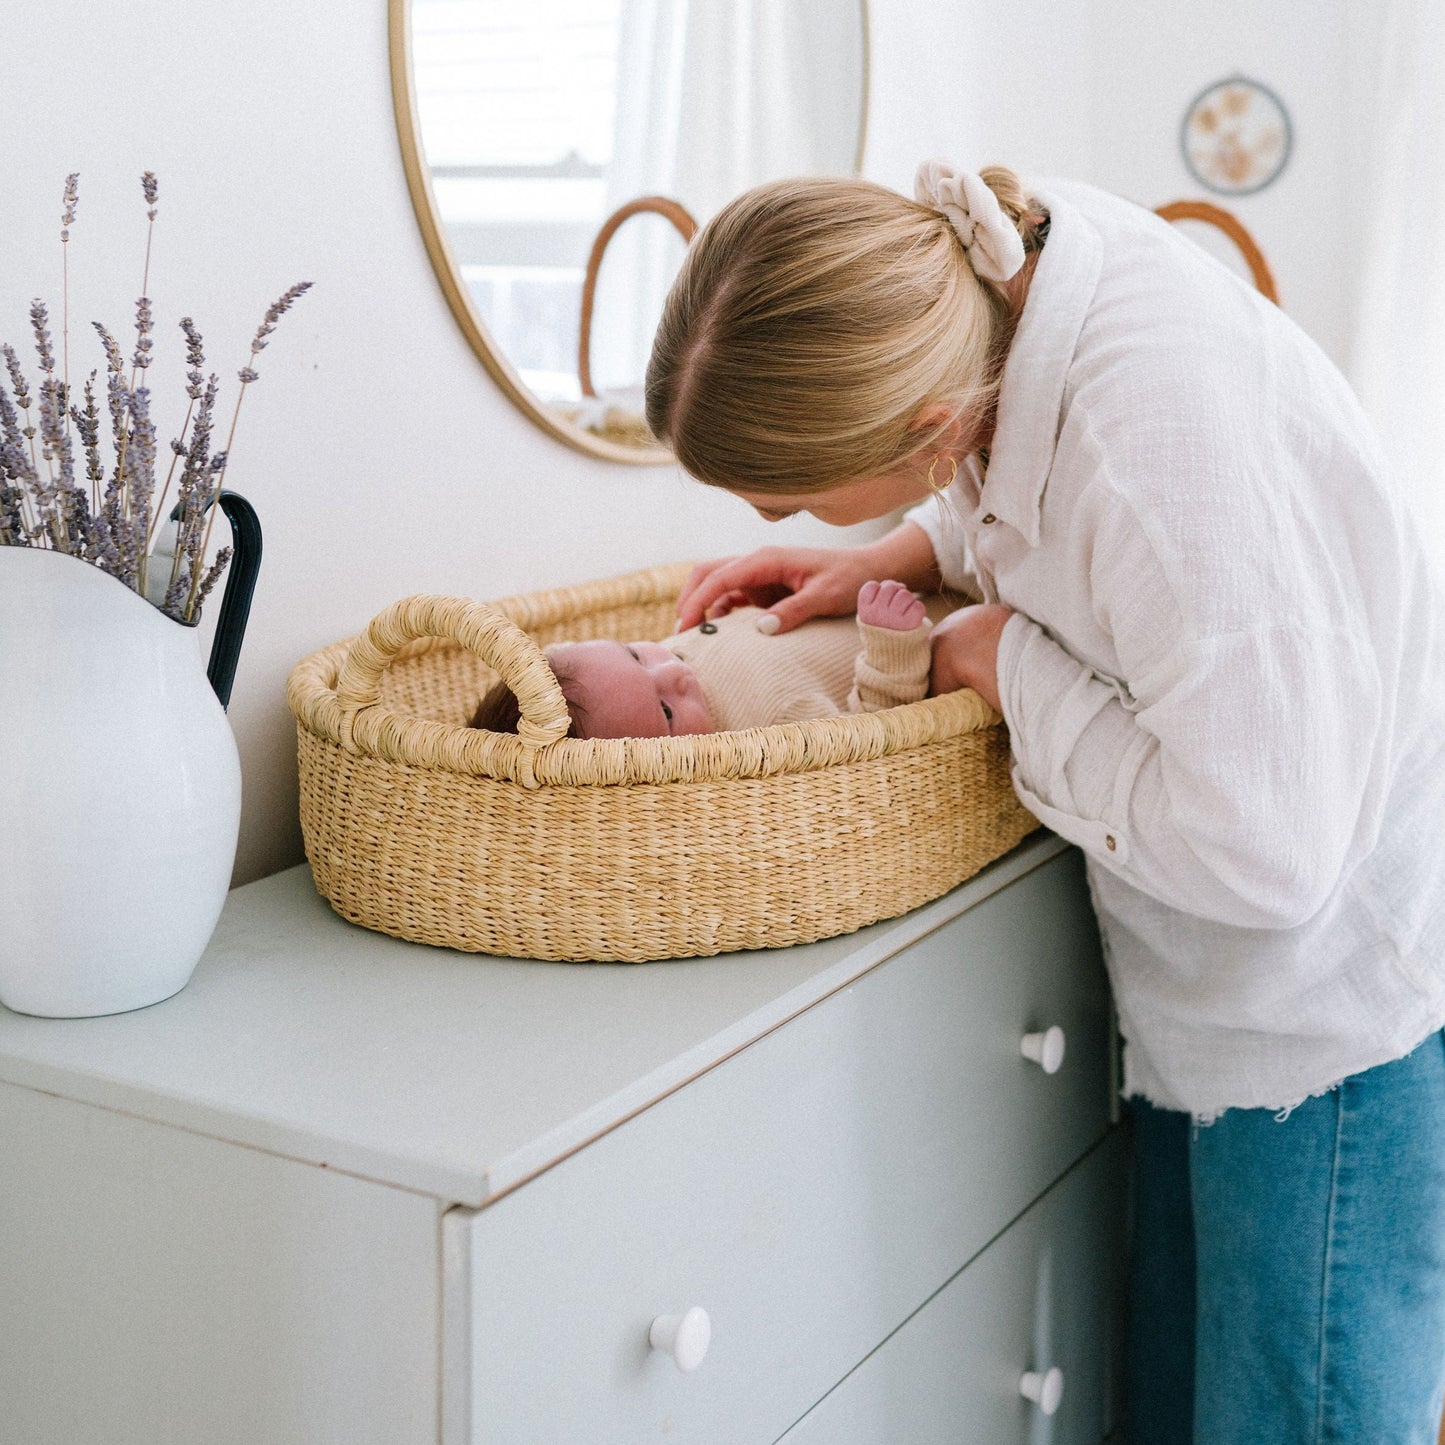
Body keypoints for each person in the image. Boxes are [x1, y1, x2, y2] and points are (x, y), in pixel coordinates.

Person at [644, 162, 1445, 1443]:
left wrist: (1000, 659)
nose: (780, 516)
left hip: (1324, 1017)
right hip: (1215, 1003)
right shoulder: (995, 280)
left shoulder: (1158, 441)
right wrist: (899, 553)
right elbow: (1035, 502)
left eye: (799, 490)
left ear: (918, 423)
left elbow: (1269, 847)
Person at [471, 579, 954, 739]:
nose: (676, 671)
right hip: (937, 627)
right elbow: (876, 733)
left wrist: (744, 615)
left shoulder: (676, 654)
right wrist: (893, 649)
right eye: (665, 711)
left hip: (883, 584)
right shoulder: (764, 732)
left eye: (636, 653)